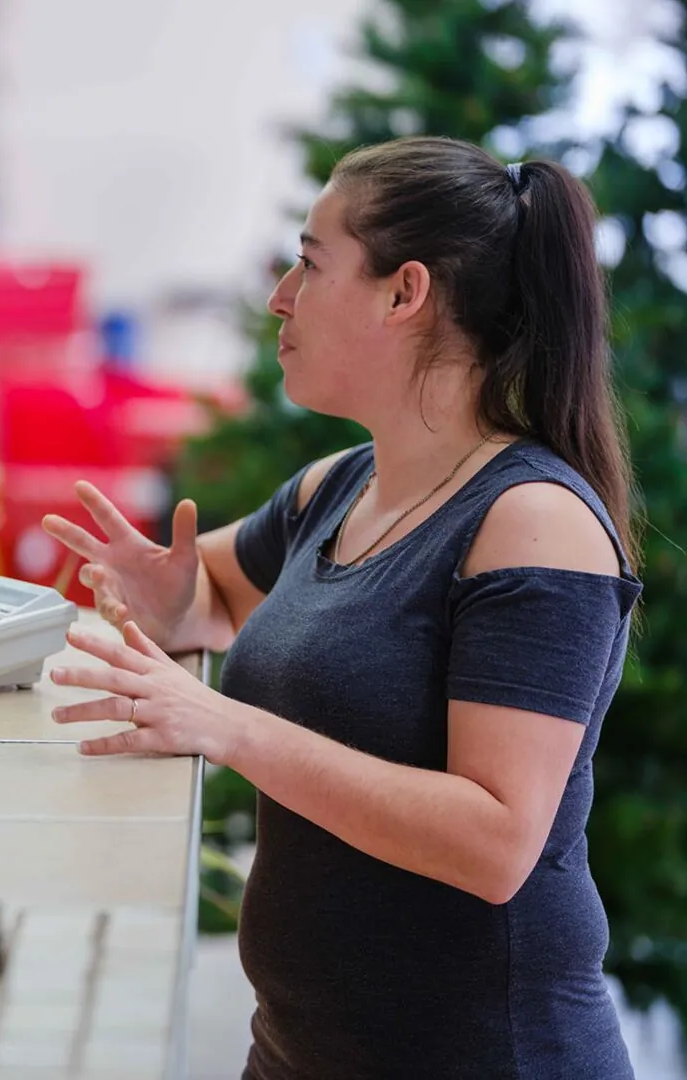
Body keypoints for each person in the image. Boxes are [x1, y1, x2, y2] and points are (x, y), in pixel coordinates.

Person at [42, 135, 642, 1078]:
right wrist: (173, 597)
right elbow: (216, 600)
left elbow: (495, 843)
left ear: (405, 294)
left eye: (310, 264)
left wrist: (226, 727)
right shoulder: (342, 487)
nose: (280, 296)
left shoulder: (535, 522)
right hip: (301, 1051)